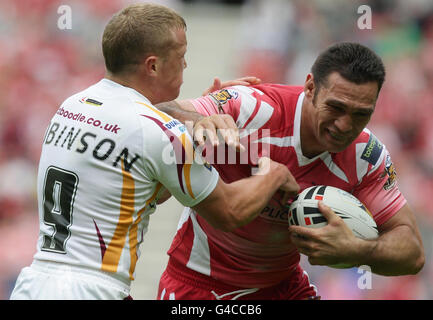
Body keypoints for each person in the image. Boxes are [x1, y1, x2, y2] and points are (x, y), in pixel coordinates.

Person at [9, 3, 298, 300]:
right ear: (153, 65)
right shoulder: (158, 130)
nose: (186, 65)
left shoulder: (70, 106)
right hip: (94, 289)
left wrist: (200, 121)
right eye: (181, 56)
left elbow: (152, 188)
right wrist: (273, 174)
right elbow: (229, 212)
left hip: (33, 284)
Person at [156, 42, 425, 300]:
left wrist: (359, 250)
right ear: (310, 87)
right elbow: (159, 112)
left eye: (360, 114)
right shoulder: (254, 108)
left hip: (283, 287)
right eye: (336, 107)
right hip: (200, 283)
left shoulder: (366, 156)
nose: (344, 125)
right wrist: (201, 120)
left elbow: (412, 252)